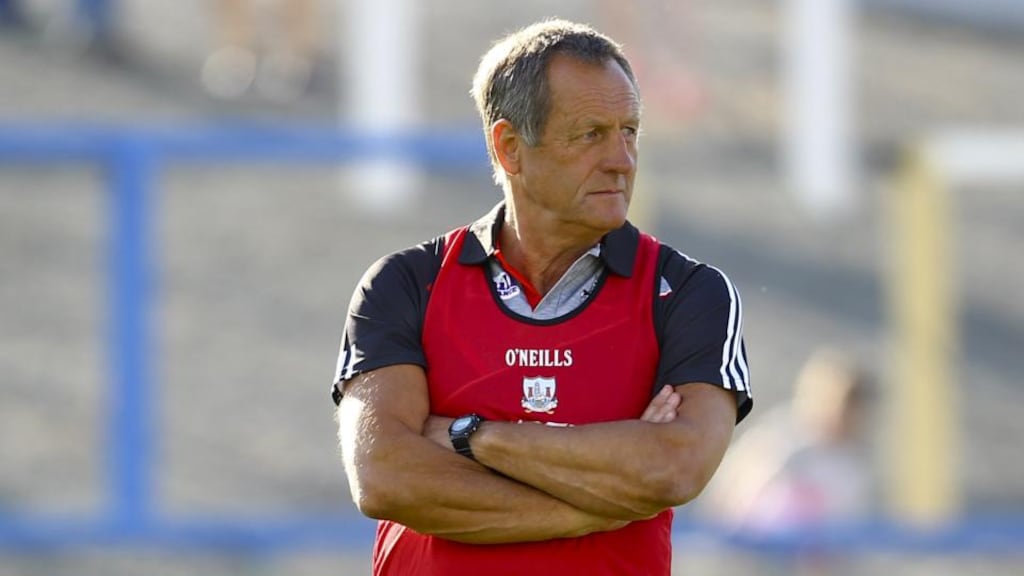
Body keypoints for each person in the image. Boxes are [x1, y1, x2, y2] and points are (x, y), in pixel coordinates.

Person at [332, 19, 752, 576]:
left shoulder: (688, 293)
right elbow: (385, 477)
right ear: (510, 148)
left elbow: (674, 470)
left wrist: (468, 436)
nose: (622, 159)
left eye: (630, 131)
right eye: (590, 134)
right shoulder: (406, 284)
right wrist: (595, 505)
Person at [701, 347, 875, 533]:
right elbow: (731, 495)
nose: (849, 417)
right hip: (758, 548)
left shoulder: (857, 464)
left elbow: (851, 520)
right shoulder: (781, 442)